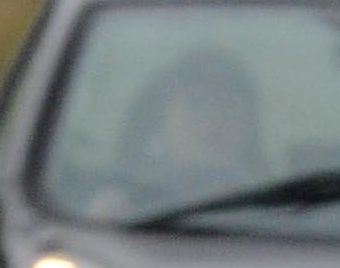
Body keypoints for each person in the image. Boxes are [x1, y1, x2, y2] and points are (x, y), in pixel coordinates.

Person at [109, 48, 264, 213]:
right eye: (195, 103)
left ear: (250, 125)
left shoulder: (282, 209)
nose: (212, 121)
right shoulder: (120, 209)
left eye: (227, 104)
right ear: (161, 122)